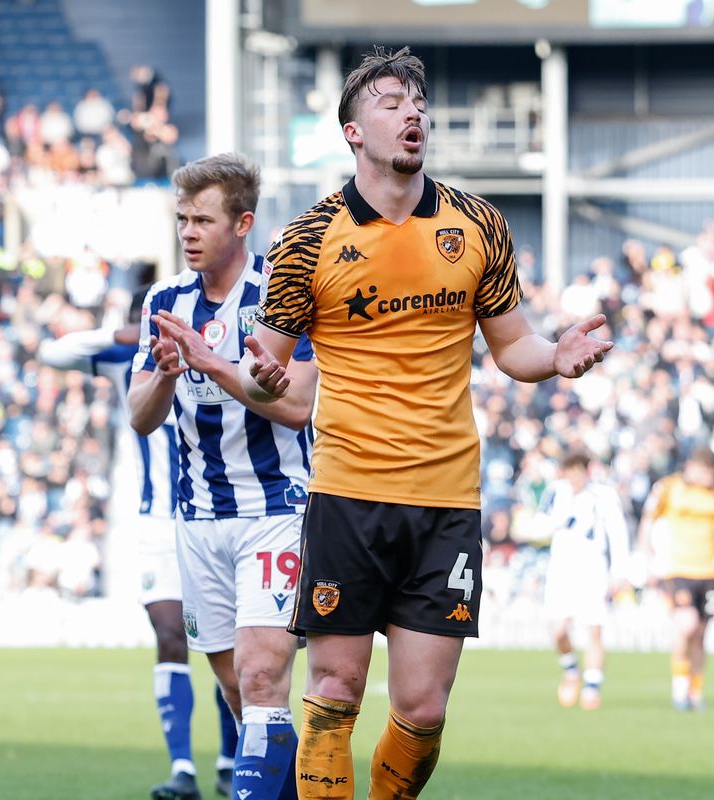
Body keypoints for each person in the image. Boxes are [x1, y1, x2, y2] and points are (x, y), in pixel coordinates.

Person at [239, 47, 613, 799]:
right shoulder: (308, 239)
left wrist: (556, 356)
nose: (412, 113)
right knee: (335, 689)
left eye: (418, 103)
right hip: (348, 492)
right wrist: (262, 378)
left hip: (446, 500)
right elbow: (265, 368)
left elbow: (512, 347)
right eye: (390, 103)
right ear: (353, 131)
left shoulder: (478, 224)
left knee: (423, 709)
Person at [130, 153, 318, 800]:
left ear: (242, 224)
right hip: (199, 519)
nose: (188, 232)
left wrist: (210, 361)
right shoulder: (164, 300)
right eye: (183, 219)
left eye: (203, 220)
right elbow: (139, 417)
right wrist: (165, 374)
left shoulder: (280, 295)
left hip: (275, 511)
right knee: (240, 691)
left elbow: (297, 407)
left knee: (263, 678)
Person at [38, 294, 239, 800]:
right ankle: (182, 769)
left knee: (230, 645)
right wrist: (122, 335)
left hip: (218, 515)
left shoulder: (214, 345)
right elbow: (52, 353)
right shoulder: (129, 357)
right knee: (170, 635)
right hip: (157, 524)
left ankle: (230, 760)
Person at [637, 446, 714, 712]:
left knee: (700, 635)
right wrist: (646, 556)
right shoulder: (670, 488)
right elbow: (649, 520)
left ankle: (695, 692)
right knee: (686, 625)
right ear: (692, 467)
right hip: (677, 569)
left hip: (708, 571)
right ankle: (679, 686)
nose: (708, 477)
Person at [536, 451, 631, 710]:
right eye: (569, 472)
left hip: (593, 566)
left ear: (587, 471)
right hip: (561, 567)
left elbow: (618, 532)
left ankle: (592, 686)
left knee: (594, 628)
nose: (573, 478)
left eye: (577, 471)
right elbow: (538, 525)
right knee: (558, 629)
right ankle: (570, 669)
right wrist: (555, 521)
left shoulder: (604, 495)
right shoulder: (555, 493)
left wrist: (620, 571)